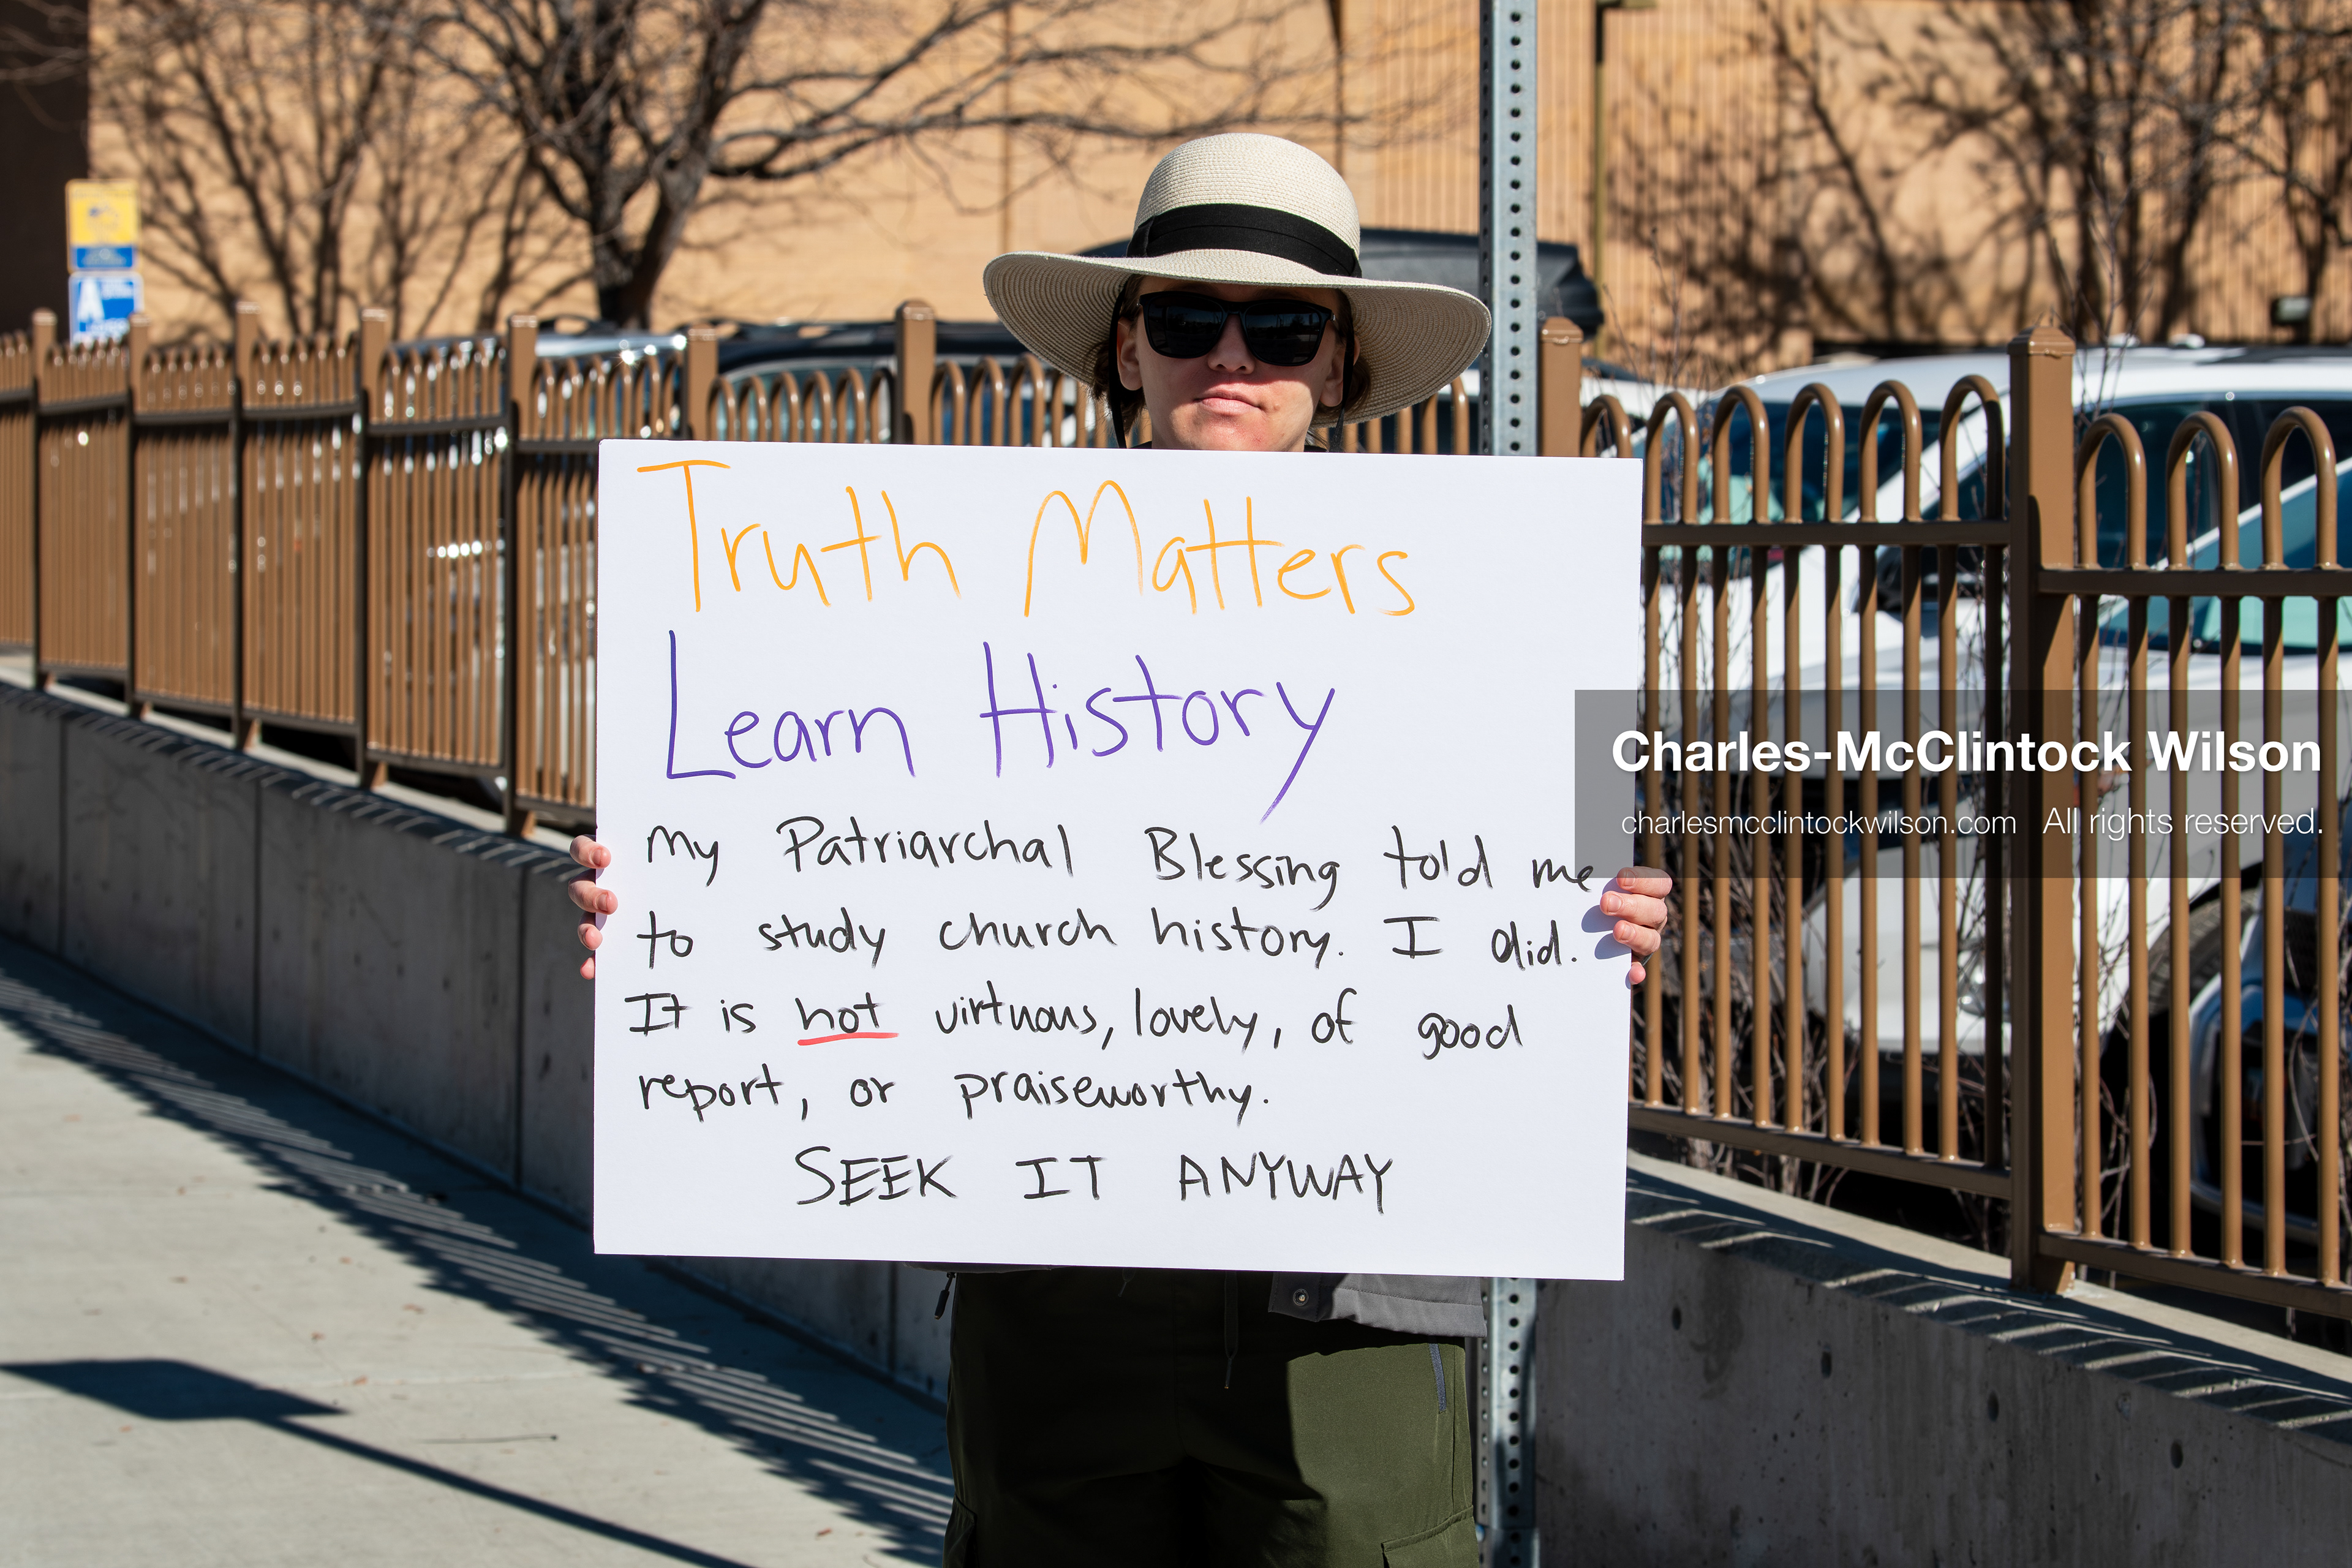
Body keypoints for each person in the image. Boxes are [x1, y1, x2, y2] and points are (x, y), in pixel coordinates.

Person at [567, 134, 1673, 1567]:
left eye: (1282, 325)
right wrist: (672, 920)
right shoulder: (952, 588)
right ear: (1122, 349)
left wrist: (1618, 925)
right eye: (1183, 318)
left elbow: (1584, 868)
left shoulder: (1507, 588)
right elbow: (821, 844)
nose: (1232, 355)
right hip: (1056, 1276)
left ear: (1338, 362)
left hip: (1354, 1306)